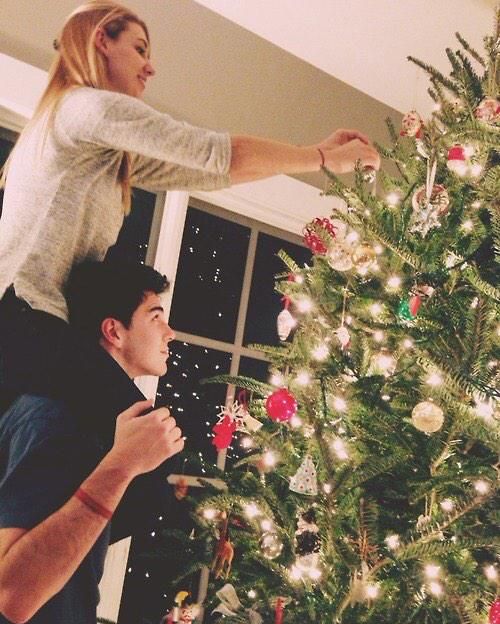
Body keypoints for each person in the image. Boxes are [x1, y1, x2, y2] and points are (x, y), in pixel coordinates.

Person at [0, 0, 381, 408]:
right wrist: (322, 159)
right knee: (132, 427)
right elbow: (218, 153)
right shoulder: (85, 107)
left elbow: (216, 172)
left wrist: (316, 152)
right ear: (101, 42)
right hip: (23, 318)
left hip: (34, 323)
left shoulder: (93, 141)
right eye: (140, 49)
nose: (151, 67)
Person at [0, 260, 184, 624]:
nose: (170, 333)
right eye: (156, 318)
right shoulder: (58, 414)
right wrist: (121, 467)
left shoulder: (94, 417)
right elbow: (13, 594)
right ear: (114, 330)